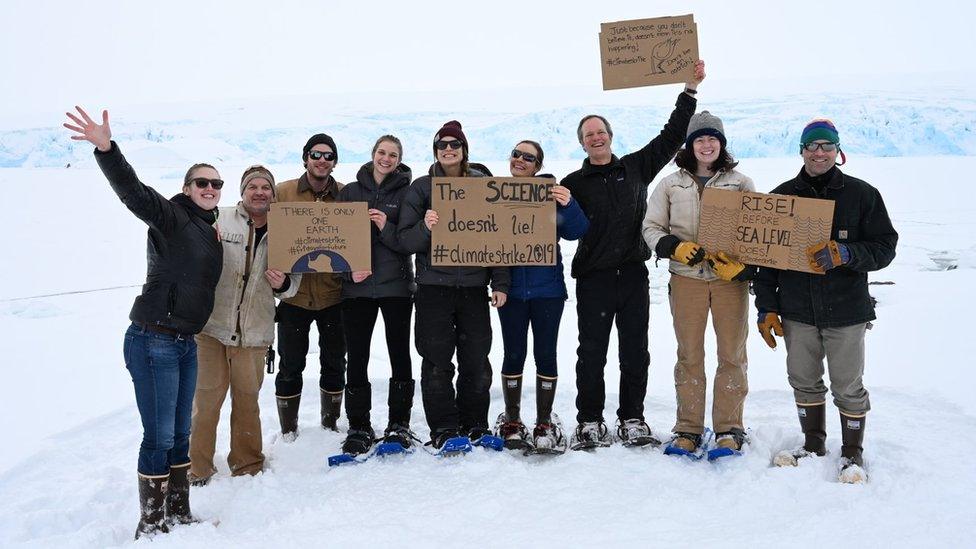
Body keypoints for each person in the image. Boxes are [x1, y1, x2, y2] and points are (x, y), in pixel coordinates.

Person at [64, 106, 222, 538]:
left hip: (185, 343)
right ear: (186, 188)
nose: (210, 188)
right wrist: (107, 149)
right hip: (154, 340)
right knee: (157, 436)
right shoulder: (171, 216)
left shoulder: (209, 227)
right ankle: (151, 525)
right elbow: (134, 193)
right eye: (202, 182)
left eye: (216, 183)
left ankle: (178, 513)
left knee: (179, 432)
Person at [561, 60, 706, 450]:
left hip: (633, 275)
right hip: (593, 278)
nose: (596, 138)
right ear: (582, 143)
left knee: (634, 351)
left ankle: (632, 418)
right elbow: (552, 226)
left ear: (610, 136)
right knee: (591, 352)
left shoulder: (636, 167)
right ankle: (589, 420)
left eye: (600, 132)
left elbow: (672, 135)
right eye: (588, 134)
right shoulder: (572, 184)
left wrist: (688, 92)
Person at [754, 119, 897, 483]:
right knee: (803, 379)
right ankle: (814, 444)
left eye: (826, 146)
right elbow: (766, 263)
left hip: (846, 310)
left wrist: (847, 254)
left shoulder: (863, 195)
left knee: (848, 384)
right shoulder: (781, 197)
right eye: (812, 146)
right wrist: (767, 308)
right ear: (801, 151)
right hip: (798, 311)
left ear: (838, 151)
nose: (820, 152)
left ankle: (852, 453)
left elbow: (885, 248)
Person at [641, 111, 755, 458]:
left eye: (713, 139)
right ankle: (688, 428)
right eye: (700, 139)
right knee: (689, 355)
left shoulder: (741, 183)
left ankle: (729, 428)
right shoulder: (671, 184)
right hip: (687, 279)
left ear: (722, 144)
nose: (707, 145)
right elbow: (651, 227)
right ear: (690, 145)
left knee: (731, 354)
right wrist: (673, 247)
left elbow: (757, 233)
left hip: (727, 282)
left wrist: (743, 268)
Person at [397, 120, 510, 450]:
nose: (448, 149)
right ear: (435, 151)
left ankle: (476, 422)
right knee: (437, 361)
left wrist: (499, 281)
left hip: (474, 287)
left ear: (464, 151)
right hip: (434, 288)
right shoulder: (421, 188)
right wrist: (426, 226)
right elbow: (406, 240)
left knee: (476, 359)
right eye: (442, 145)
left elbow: (498, 237)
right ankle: (445, 428)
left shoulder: (483, 185)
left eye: (454, 145)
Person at [188, 166, 300, 485]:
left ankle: (247, 463)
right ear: (242, 191)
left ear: (274, 194)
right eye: (253, 186)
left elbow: (295, 285)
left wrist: (283, 283)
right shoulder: (218, 219)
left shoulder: (288, 229)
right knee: (205, 402)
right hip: (211, 328)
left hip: (255, 332)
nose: (260, 191)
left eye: (266, 187)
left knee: (247, 402)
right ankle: (197, 467)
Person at [493, 140, 588, 452]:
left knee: (545, 353)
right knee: (513, 353)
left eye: (528, 157)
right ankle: (513, 420)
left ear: (537, 165)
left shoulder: (549, 196)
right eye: (516, 154)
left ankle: (544, 422)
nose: (520, 160)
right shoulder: (497, 195)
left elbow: (577, 229)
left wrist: (568, 203)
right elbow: (485, 242)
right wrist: (498, 285)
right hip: (512, 293)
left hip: (547, 290)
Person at [336, 135, 416, 455]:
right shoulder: (350, 193)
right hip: (356, 289)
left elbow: (411, 243)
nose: (386, 158)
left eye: (393, 154)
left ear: (399, 159)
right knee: (357, 356)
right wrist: (347, 271)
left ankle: (399, 423)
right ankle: (359, 424)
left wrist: (386, 227)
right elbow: (335, 244)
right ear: (372, 155)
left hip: (396, 287)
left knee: (399, 353)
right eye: (382, 152)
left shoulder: (409, 194)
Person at [273, 134, 347, 439]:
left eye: (329, 156)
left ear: (334, 162)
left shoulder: (345, 195)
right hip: (294, 296)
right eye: (316, 154)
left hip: (334, 295)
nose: (322, 160)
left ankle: (329, 424)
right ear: (305, 157)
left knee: (334, 363)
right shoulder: (283, 193)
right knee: (290, 364)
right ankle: (288, 429)